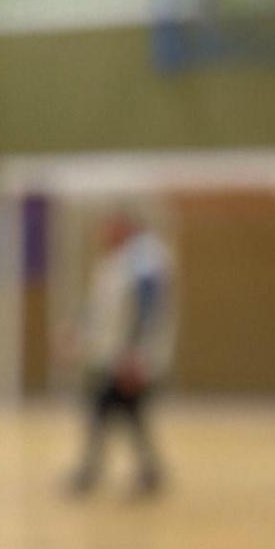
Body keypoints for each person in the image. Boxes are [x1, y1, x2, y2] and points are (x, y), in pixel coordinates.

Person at [67, 207, 179, 499]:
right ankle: (144, 472)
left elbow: (147, 310)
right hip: (112, 356)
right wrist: (79, 335)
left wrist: (135, 355)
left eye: (108, 227)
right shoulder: (118, 262)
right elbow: (102, 309)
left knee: (107, 410)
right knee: (121, 413)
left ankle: (95, 471)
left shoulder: (144, 260)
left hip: (127, 359)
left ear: (123, 226)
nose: (102, 234)